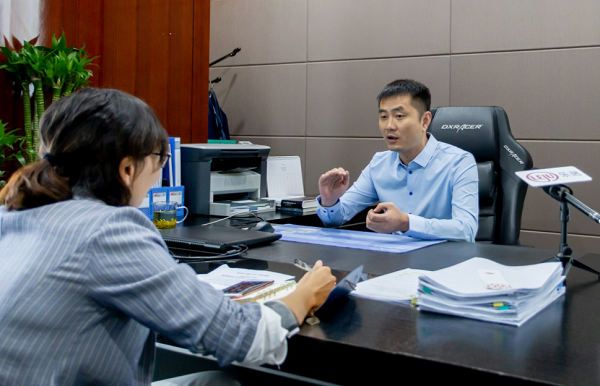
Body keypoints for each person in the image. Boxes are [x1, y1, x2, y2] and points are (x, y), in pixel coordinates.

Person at [0, 88, 336, 385]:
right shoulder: (110, 230)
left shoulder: (12, 213)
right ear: (127, 169)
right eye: (160, 158)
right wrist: (305, 294)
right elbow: (240, 336)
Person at [317, 79, 478, 242]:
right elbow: (336, 219)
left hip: (441, 256)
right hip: (394, 255)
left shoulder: (459, 162)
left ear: (425, 121)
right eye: (383, 117)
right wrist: (330, 201)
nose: (389, 126)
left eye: (399, 116)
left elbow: (466, 230)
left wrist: (407, 223)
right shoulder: (379, 164)